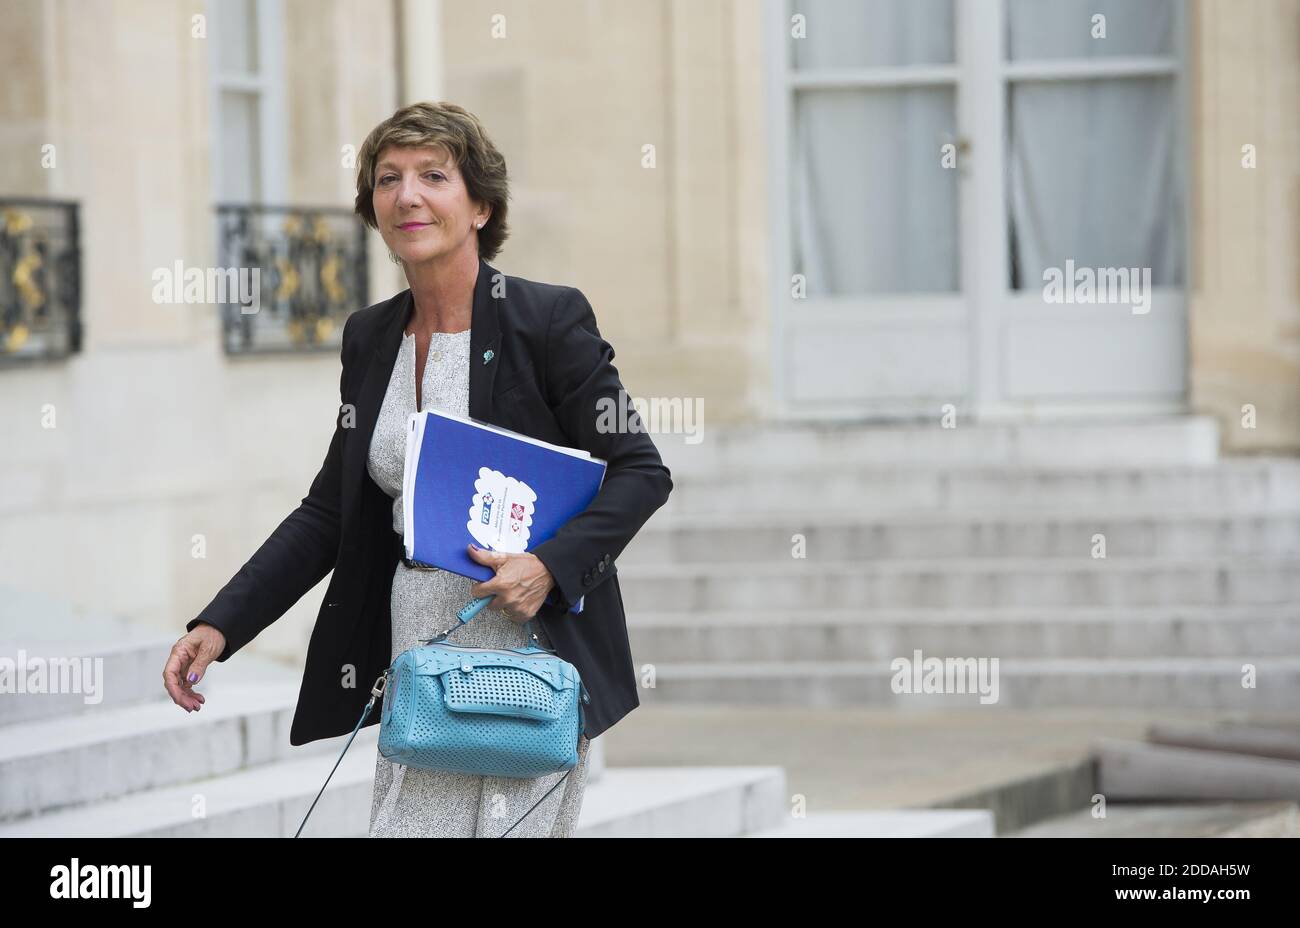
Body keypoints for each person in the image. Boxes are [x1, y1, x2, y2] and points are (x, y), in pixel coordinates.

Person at [161, 100, 673, 837]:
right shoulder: (370, 337)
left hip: (527, 640)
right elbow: (331, 511)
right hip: (418, 645)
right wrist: (221, 623)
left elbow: (640, 471)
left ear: (479, 207)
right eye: (388, 178)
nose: (408, 195)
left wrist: (550, 567)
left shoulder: (547, 321)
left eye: (434, 175)